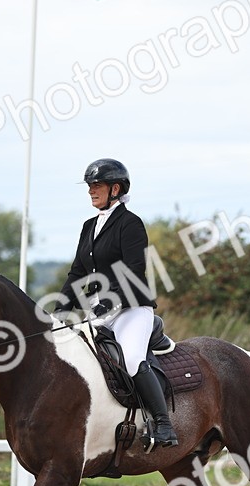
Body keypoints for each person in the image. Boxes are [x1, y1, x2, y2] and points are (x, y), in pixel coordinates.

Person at [57, 158, 178, 448]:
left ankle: (164, 425)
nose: (91, 191)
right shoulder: (89, 226)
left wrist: (113, 302)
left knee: (132, 359)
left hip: (131, 309)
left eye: (96, 185)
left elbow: (134, 271)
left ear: (115, 189)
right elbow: (77, 272)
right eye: (89, 186)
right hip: (98, 311)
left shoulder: (130, 223)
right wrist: (60, 309)